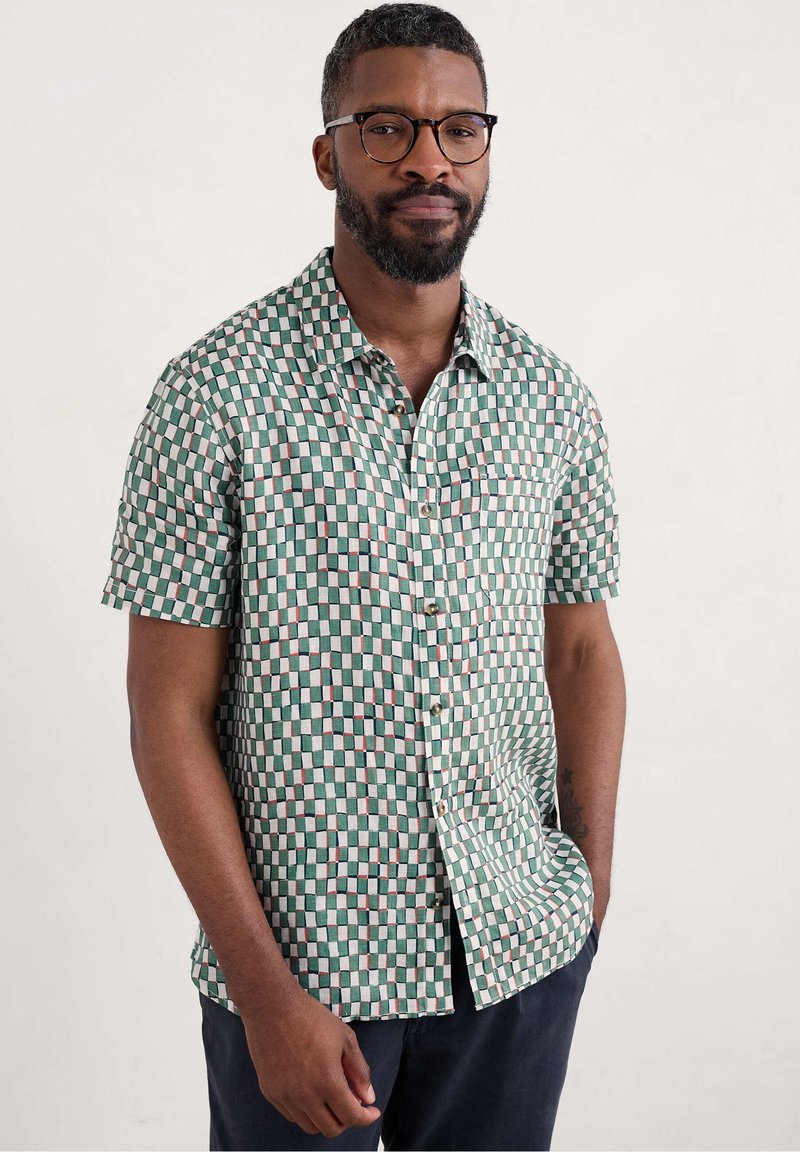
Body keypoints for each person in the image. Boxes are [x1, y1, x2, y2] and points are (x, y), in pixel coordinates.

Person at [100, 4, 626, 1149]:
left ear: (486, 150)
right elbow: (165, 711)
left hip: (514, 956)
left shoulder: (551, 401)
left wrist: (585, 889)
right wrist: (262, 992)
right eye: (386, 127)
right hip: (302, 976)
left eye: (458, 128)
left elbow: (582, 648)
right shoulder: (213, 397)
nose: (427, 159)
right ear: (326, 154)